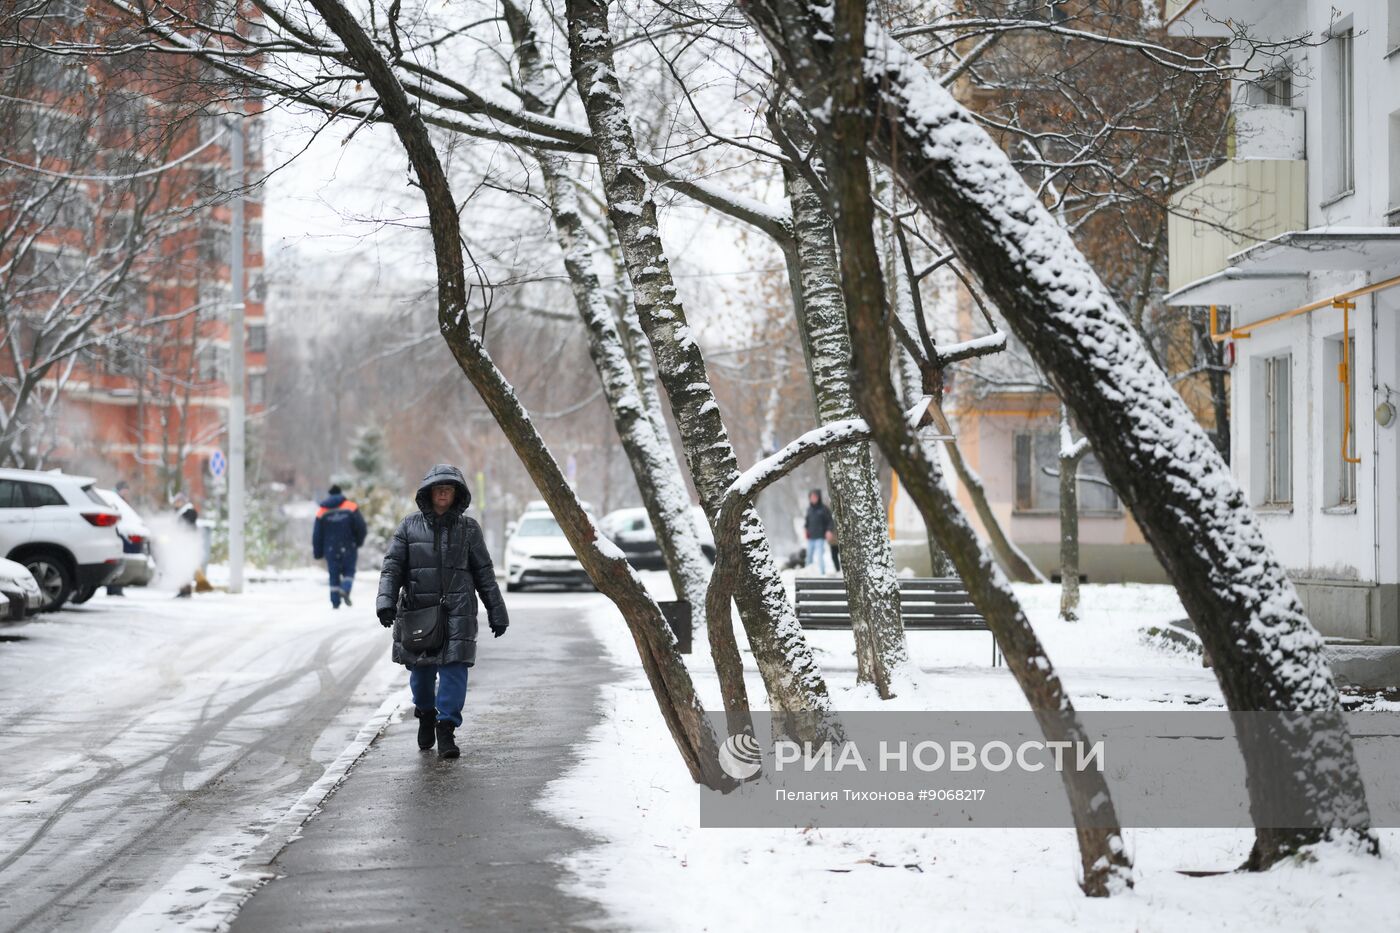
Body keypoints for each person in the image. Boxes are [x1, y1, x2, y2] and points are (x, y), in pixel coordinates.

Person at [376, 464, 508, 759]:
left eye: (449, 489)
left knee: (454, 672)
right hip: (419, 612)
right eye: (439, 489)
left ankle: (446, 728)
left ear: (457, 494)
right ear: (429, 493)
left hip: (458, 613)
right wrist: (385, 602)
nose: (444, 494)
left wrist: (497, 612)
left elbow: (484, 573)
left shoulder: (469, 529)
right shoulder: (408, 527)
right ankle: (425, 713)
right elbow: (392, 568)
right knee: (421, 675)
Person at [312, 484, 368, 609]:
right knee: (349, 570)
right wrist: (358, 542)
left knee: (334, 574)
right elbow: (361, 527)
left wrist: (318, 552)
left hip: (330, 548)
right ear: (340, 493)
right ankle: (345, 589)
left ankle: (335, 602)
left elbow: (317, 534)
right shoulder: (351, 507)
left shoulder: (322, 511)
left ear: (330, 494)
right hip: (349, 546)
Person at [804, 489, 834, 575]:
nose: (813, 498)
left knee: (820, 556)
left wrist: (829, 531)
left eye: (815, 497)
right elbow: (807, 522)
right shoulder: (809, 509)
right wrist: (805, 530)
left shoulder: (824, 509)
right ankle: (807, 574)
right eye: (811, 497)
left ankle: (822, 573)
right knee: (809, 557)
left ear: (818, 497)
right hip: (811, 538)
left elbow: (830, 522)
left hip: (820, 537)